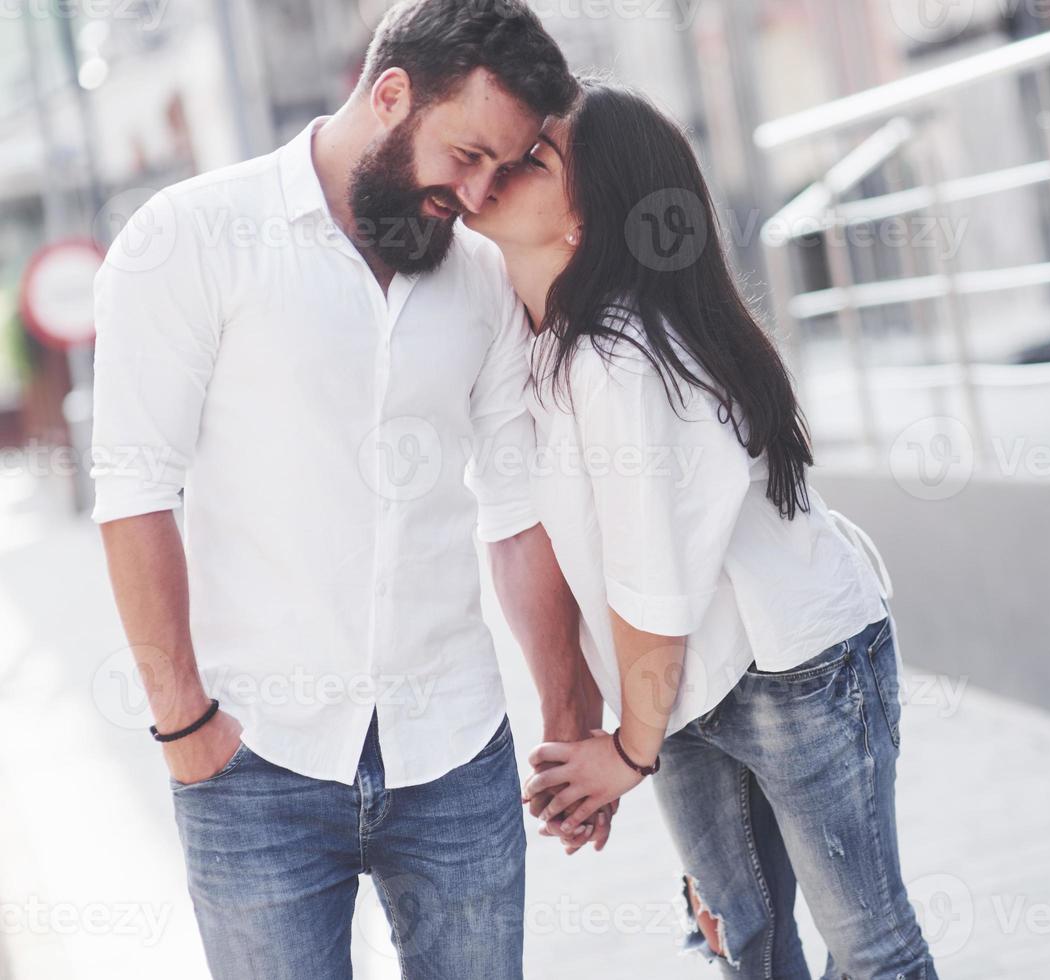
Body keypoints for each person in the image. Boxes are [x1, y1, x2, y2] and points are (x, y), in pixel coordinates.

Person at [88, 2, 600, 977]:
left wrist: (567, 714)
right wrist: (186, 724)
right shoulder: (190, 237)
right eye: (467, 154)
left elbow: (514, 503)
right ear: (391, 94)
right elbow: (134, 492)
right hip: (252, 763)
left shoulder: (483, 277)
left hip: (454, 751)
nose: (481, 191)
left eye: (506, 164)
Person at [467, 79, 938, 979]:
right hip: (679, 685)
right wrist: (604, 732)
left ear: (588, 216)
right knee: (739, 939)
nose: (502, 167)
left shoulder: (614, 359)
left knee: (870, 948)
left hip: (795, 668)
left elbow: (649, 580)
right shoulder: (531, 346)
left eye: (538, 157)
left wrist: (626, 753)